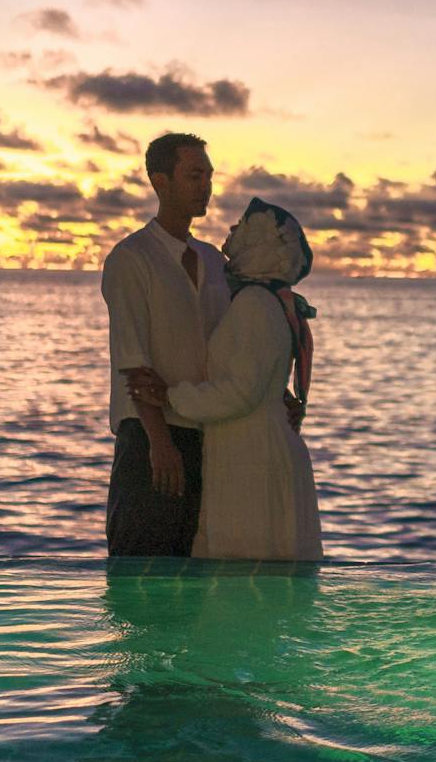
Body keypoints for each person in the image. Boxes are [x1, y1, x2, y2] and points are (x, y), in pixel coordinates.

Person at [132, 198, 322, 561]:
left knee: (243, 579)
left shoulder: (254, 304)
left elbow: (240, 391)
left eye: (243, 227)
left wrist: (171, 396)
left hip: (252, 457)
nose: (232, 230)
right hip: (255, 448)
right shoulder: (266, 301)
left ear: (260, 245)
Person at [101, 132, 229, 558]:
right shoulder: (131, 257)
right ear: (161, 181)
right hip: (148, 438)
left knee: (193, 589)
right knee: (139, 581)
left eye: (209, 176)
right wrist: (160, 443)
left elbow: (234, 344)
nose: (205, 186)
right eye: (194, 175)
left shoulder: (214, 261)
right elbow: (132, 357)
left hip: (207, 437)